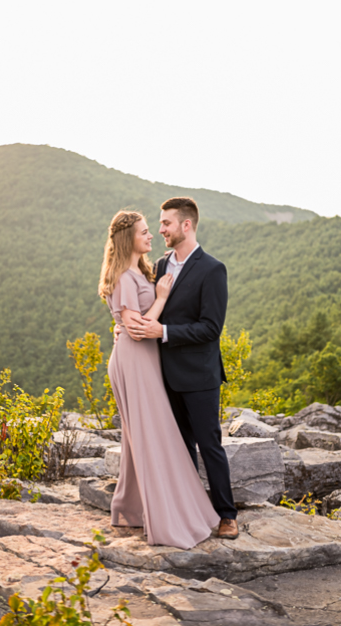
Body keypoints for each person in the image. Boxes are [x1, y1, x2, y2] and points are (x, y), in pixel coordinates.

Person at [100, 210, 221, 549]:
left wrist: (128, 322)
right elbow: (137, 328)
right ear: (129, 239)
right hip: (135, 358)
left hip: (144, 359)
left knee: (148, 434)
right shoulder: (124, 276)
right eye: (144, 232)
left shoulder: (142, 269)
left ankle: (134, 508)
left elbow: (130, 323)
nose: (151, 235)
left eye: (153, 229)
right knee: (149, 435)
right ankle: (160, 516)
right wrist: (162, 299)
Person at [123, 197, 239, 540]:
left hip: (200, 377)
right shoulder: (158, 265)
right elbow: (146, 306)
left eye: (166, 224)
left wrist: (164, 332)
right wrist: (127, 324)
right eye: (159, 224)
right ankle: (188, 514)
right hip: (162, 374)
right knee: (178, 447)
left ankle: (227, 515)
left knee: (209, 445)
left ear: (186, 225)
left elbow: (211, 328)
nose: (160, 230)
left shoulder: (212, 269)